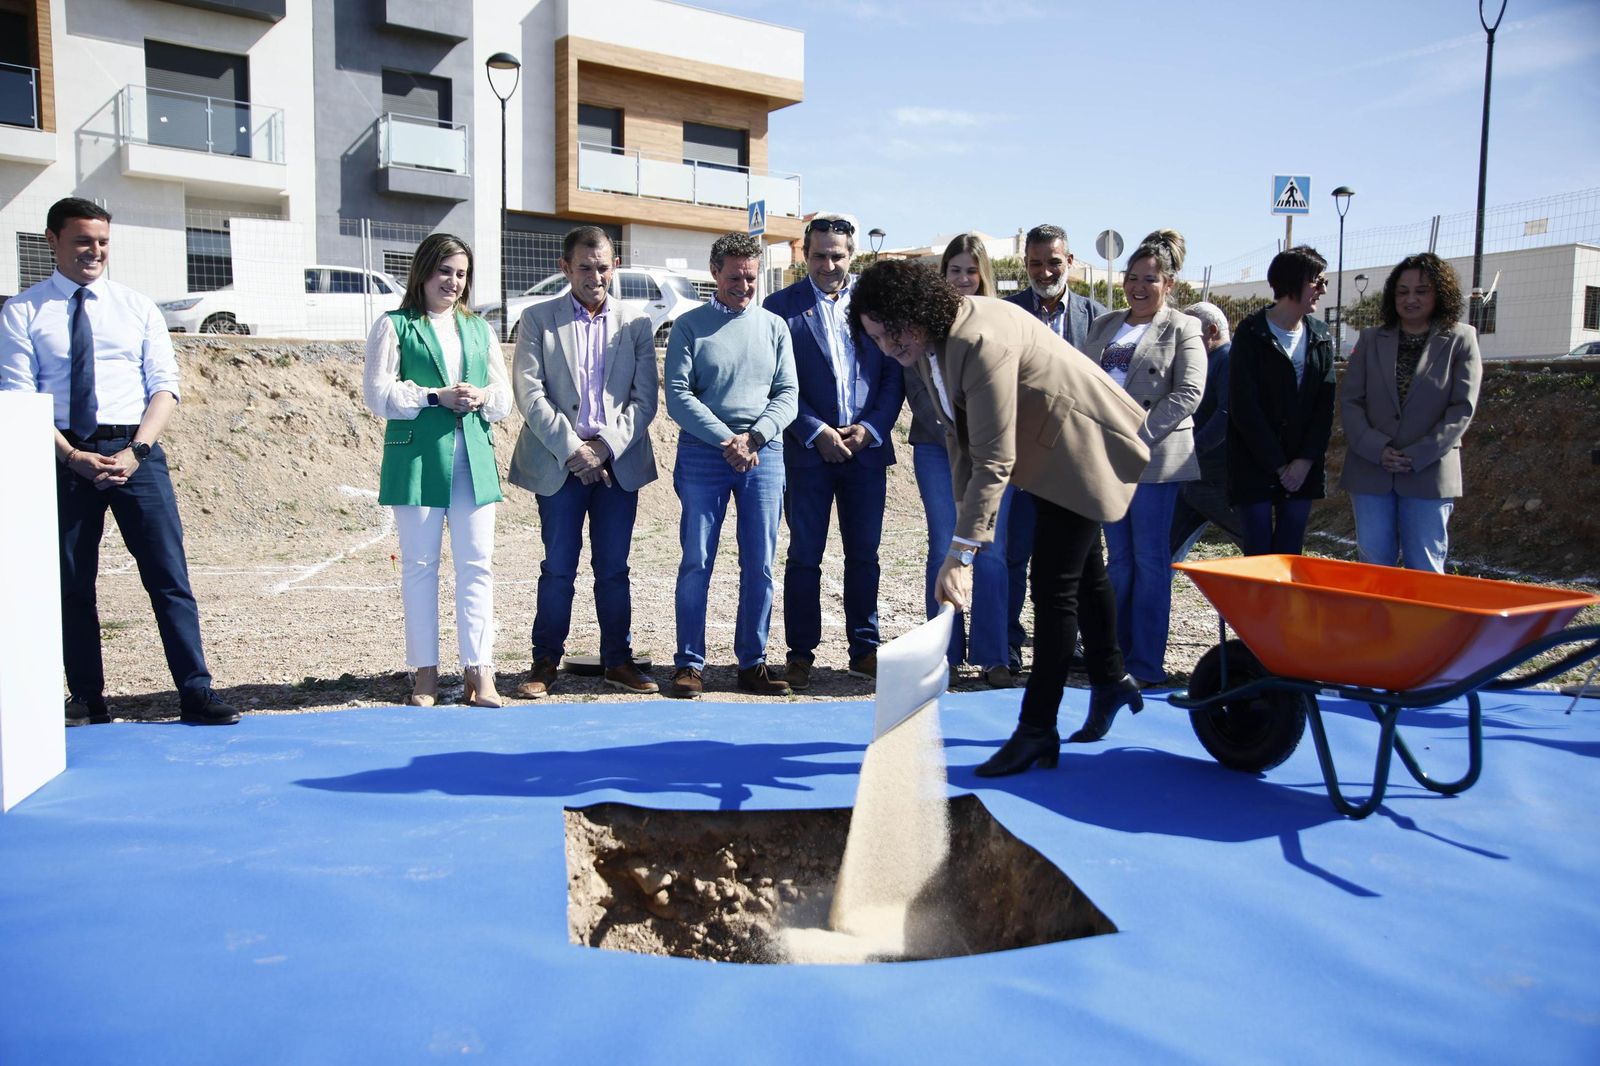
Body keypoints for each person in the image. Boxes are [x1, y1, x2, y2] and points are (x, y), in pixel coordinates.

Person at [849, 260, 1149, 778]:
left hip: (1083, 446)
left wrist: (962, 553)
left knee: (1052, 586)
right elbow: (957, 437)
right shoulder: (926, 344)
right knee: (1087, 572)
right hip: (1045, 448)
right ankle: (1112, 680)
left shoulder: (980, 340)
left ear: (912, 314)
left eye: (888, 334)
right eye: (874, 338)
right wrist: (964, 536)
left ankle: (1037, 730)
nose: (885, 347)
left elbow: (993, 458)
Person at [0, 197, 240, 726]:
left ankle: (196, 691)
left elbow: (165, 387)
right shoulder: (22, 312)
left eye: (103, 241)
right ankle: (87, 697)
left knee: (167, 574)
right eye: (84, 240)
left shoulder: (137, 308)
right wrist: (70, 456)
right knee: (71, 581)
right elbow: (18, 395)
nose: (95, 251)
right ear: (53, 241)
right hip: (61, 455)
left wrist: (137, 451)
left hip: (136, 452)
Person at [508, 226, 660, 698]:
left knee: (613, 569)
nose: (596, 276)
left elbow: (645, 399)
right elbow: (529, 395)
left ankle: (619, 660)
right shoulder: (536, 320)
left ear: (613, 265)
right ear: (565, 268)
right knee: (558, 567)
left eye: (603, 267)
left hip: (618, 465)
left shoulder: (637, 323)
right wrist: (575, 449)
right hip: (561, 465)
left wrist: (605, 447)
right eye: (585, 268)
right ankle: (545, 662)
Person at [363, 232, 511, 707]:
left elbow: (503, 397)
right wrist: (434, 396)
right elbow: (377, 395)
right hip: (418, 460)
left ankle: (479, 670)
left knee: (476, 566)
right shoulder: (393, 325)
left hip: (474, 458)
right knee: (420, 567)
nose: (453, 281)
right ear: (424, 272)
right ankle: (425, 672)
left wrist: (481, 396)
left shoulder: (480, 329)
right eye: (445, 271)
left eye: (462, 274)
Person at [764, 214, 903, 690]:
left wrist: (870, 428)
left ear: (853, 254)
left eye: (838, 255)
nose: (829, 264)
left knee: (864, 555)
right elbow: (775, 382)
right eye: (820, 255)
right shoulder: (779, 307)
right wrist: (814, 429)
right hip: (808, 454)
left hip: (866, 453)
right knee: (805, 555)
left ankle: (864, 650)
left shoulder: (877, 305)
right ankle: (800, 654)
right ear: (805, 254)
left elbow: (893, 374)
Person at [663, 232, 798, 699]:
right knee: (696, 560)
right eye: (735, 276)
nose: (744, 286)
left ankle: (752, 662)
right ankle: (689, 664)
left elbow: (788, 394)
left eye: (751, 277)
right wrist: (728, 440)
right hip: (705, 453)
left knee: (760, 562)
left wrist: (755, 437)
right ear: (715, 272)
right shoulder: (687, 327)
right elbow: (678, 396)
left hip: (765, 454)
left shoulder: (774, 327)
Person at [1082, 230, 1205, 691]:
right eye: (1132, 277)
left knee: (1151, 560)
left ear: (1168, 284)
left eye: (1149, 279)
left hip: (1155, 459)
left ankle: (1147, 664)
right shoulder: (1104, 325)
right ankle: (1113, 660)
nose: (1138, 286)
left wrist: (1136, 435)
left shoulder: (1183, 327)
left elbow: (1189, 392)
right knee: (1119, 563)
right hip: (1106, 459)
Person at [906, 234, 1015, 688]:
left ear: (984, 276)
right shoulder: (922, 323)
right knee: (942, 546)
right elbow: (914, 379)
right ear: (943, 274)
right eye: (955, 270)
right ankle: (942, 655)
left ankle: (994, 656)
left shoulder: (1001, 321)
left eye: (972, 271)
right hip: (935, 447)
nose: (964, 279)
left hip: (992, 452)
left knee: (991, 550)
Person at [1002, 224, 1108, 673]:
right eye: (1035, 263)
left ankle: (1077, 645)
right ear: (1025, 264)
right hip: (1023, 459)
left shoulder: (1099, 317)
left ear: (1071, 261)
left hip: (1077, 462)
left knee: (1081, 560)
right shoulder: (1006, 314)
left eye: (1053, 262)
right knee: (1014, 554)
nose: (1044, 271)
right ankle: (1007, 641)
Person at [1339, 252, 1481, 571]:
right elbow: (1351, 401)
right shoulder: (1371, 338)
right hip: (1371, 471)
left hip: (1428, 473)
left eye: (1421, 290)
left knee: (1426, 566)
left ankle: (1427, 624)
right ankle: (1378, 624)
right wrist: (1377, 449)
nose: (1411, 299)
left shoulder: (1462, 339)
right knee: (1374, 566)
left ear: (1440, 293)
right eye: (1402, 291)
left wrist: (1417, 453)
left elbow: (1462, 408)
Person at [1227, 245, 1336, 556]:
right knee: (1259, 555)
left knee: (1290, 555)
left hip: (1303, 467)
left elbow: (1324, 406)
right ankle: (1255, 608)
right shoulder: (1251, 332)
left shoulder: (1321, 335)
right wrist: (1278, 464)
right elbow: (1244, 406)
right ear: (1293, 281)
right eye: (1317, 281)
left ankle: (1286, 608)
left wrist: (1303, 462)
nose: (1322, 290)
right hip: (1255, 464)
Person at [1169, 301, 1244, 563]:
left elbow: (1227, 414)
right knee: (1163, 552)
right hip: (1194, 477)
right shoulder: (1205, 363)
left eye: (1189, 333)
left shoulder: (1228, 360)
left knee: (1258, 548)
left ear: (1212, 330)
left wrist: (1191, 451)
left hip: (1217, 479)